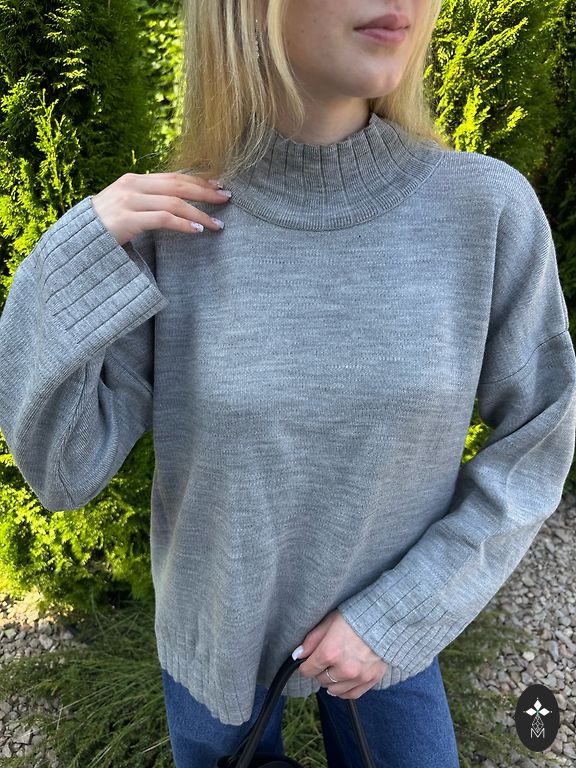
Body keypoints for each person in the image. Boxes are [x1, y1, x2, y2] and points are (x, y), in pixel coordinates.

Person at [0, 0, 575, 766]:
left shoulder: (485, 210)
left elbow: (540, 438)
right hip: (213, 642)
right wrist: (73, 256)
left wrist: (403, 615)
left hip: (389, 644)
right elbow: (63, 472)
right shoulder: (177, 226)